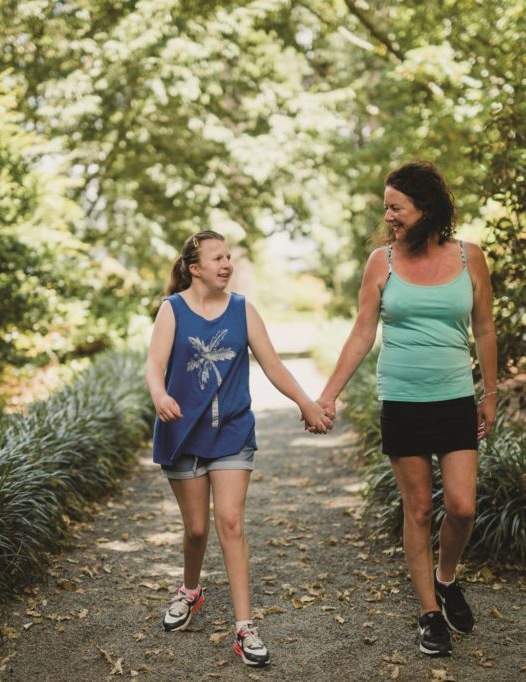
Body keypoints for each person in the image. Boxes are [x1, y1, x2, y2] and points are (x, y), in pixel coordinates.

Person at [317, 161, 498, 657]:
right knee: (418, 510)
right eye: (387, 207)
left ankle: (446, 577)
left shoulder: (470, 258)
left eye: (397, 207)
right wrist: (329, 393)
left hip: (456, 397)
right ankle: (428, 614)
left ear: (427, 208)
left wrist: (491, 393)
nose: (389, 216)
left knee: (461, 507)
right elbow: (361, 332)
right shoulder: (383, 262)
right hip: (402, 399)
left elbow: (483, 329)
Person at [145, 230, 333, 668]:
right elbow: (154, 365)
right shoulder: (171, 310)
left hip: (231, 431)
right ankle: (190, 590)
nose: (226, 264)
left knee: (230, 522)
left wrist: (306, 403)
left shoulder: (243, 309)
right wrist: (159, 395)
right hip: (182, 434)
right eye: (216, 258)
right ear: (195, 268)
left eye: (228, 256)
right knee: (196, 530)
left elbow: (272, 364)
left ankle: (245, 628)